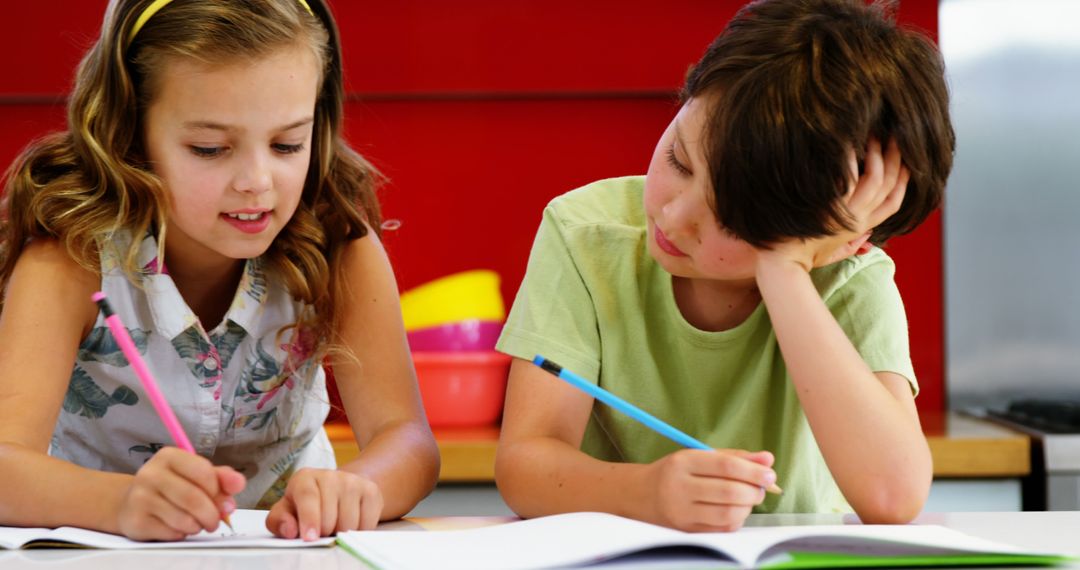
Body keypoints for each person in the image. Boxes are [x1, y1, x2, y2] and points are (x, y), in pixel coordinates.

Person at [495, 0, 954, 531]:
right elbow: (524, 465)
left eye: (736, 222)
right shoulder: (586, 235)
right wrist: (647, 492)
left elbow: (892, 497)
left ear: (841, 241)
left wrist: (784, 270)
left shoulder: (850, 282)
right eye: (678, 161)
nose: (674, 215)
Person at [0, 0, 439, 541]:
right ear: (129, 135)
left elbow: (409, 442)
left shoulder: (339, 244)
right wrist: (120, 502)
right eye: (210, 149)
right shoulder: (71, 257)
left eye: (287, 144)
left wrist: (359, 486)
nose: (256, 180)